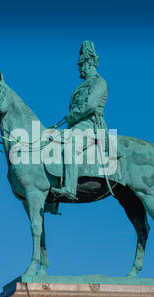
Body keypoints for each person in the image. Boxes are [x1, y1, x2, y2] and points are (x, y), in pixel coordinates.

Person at [52, 40, 109, 201]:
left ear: (90, 63)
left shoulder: (99, 82)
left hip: (91, 125)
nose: (79, 67)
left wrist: (68, 117)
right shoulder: (82, 86)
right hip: (76, 125)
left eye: (81, 64)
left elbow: (89, 106)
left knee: (70, 146)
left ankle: (69, 189)